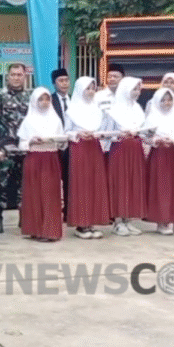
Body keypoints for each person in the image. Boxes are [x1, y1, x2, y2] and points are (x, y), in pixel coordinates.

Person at [65, 77, 111, 239]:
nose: (91, 92)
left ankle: (91, 222)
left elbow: (104, 130)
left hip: (95, 148)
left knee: (94, 184)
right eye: (88, 88)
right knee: (81, 184)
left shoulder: (97, 109)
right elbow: (66, 132)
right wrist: (78, 133)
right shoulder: (71, 110)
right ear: (80, 90)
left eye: (93, 88)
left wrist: (96, 134)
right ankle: (81, 225)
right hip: (79, 148)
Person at [17, 88, 64, 242]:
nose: (44, 103)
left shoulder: (55, 119)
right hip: (34, 159)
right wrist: (31, 140)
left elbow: (62, 142)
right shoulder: (28, 120)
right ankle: (35, 229)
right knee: (34, 193)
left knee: (49, 194)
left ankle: (50, 231)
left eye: (47, 99)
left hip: (50, 158)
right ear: (34, 101)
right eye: (41, 99)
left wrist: (54, 140)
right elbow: (22, 143)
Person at [144, 89, 174, 235]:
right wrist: (157, 140)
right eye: (163, 100)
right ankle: (162, 222)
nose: (167, 103)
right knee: (162, 186)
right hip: (160, 154)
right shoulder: (152, 118)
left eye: (169, 99)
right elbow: (146, 137)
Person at [0, 63, 30, 233]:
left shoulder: (30, 97)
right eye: (13, 74)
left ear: (24, 76)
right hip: (4, 148)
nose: (16, 77)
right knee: (0, 185)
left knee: (25, 184)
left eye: (19, 74)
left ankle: (25, 218)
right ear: (7, 76)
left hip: (24, 147)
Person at [104, 77, 147, 237]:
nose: (137, 93)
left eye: (138, 89)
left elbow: (144, 129)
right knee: (120, 183)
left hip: (136, 150)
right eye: (134, 89)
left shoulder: (138, 109)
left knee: (133, 183)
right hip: (120, 150)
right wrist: (120, 134)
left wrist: (140, 133)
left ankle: (128, 219)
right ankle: (118, 221)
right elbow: (106, 134)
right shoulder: (113, 110)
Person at [50, 68, 71, 219]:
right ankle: (54, 210)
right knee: (54, 180)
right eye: (60, 81)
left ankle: (69, 211)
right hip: (55, 146)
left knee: (70, 179)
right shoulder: (49, 101)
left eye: (66, 80)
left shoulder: (75, 100)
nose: (64, 84)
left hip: (72, 146)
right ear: (54, 83)